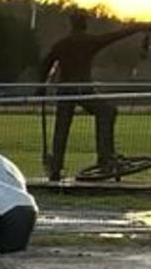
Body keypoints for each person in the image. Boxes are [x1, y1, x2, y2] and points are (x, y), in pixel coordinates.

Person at [41, 13, 149, 180]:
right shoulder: (90, 42)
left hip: (65, 90)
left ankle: (56, 166)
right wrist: (140, 26)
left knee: (61, 127)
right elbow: (117, 35)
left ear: (71, 24)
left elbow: (46, 64)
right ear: (85, 24)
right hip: (83, 89)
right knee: (107, 112)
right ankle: (105, 156)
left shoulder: (61, 45)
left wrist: (41, 87)